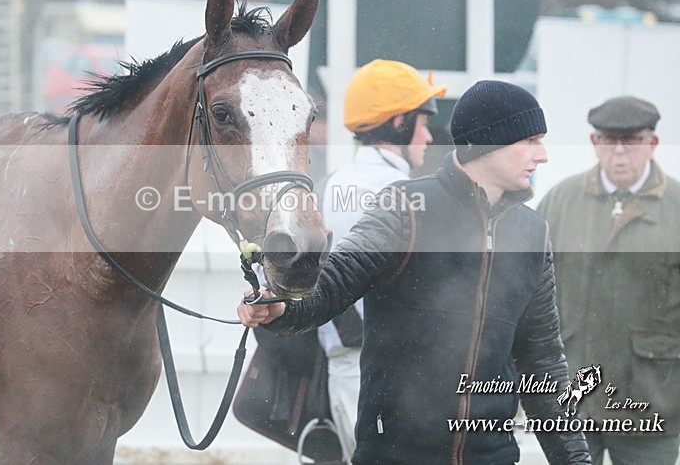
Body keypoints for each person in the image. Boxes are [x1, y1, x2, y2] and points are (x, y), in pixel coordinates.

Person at [239, 80, 591, 464]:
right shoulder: (404, 207)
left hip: (493, 455)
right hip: (396, 454)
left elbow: (542, 362)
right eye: (531, 140)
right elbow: (336, 281)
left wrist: (575, 460)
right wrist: (282, 306)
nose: (543, 156)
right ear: (491, 142)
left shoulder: (533, 232)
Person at [536, 96, 680, 465]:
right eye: (607, 141)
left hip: (652, 404)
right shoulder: (560, 203)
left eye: (631, 142)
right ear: (593, 143)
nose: (619, 153)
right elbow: (528, 292)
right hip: (573, 399)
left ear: (652, 144)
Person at [317, 59, 445, 459]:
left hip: (348, 368)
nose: (428, 136)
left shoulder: (330, 185)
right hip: (393, 373)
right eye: (422, 123)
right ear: (397, 123)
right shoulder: (409, 193)